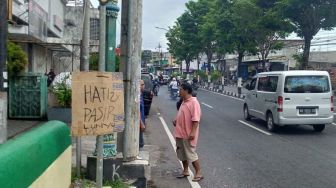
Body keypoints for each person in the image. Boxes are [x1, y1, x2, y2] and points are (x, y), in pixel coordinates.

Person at [173, 83, 203, 182]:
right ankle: (185, 171)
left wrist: (193, 132)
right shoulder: (184, 101)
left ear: (186, 91)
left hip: (188, 134)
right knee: (181, 153)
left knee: (191, 154)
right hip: (180, 133)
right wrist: (176, 120)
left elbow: (196, 119)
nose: (179, 91)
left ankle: (198, 172)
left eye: (181, 89)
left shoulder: (194, 102)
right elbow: (182, 113)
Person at [139, 80, 146, 148]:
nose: (144, 86)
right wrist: (141, 124)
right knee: (140, 143)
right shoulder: (138, 96)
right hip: (138, 124)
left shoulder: (141, 95)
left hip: (141, 122)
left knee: (141, 143)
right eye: (143, 84)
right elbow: (137, 111)